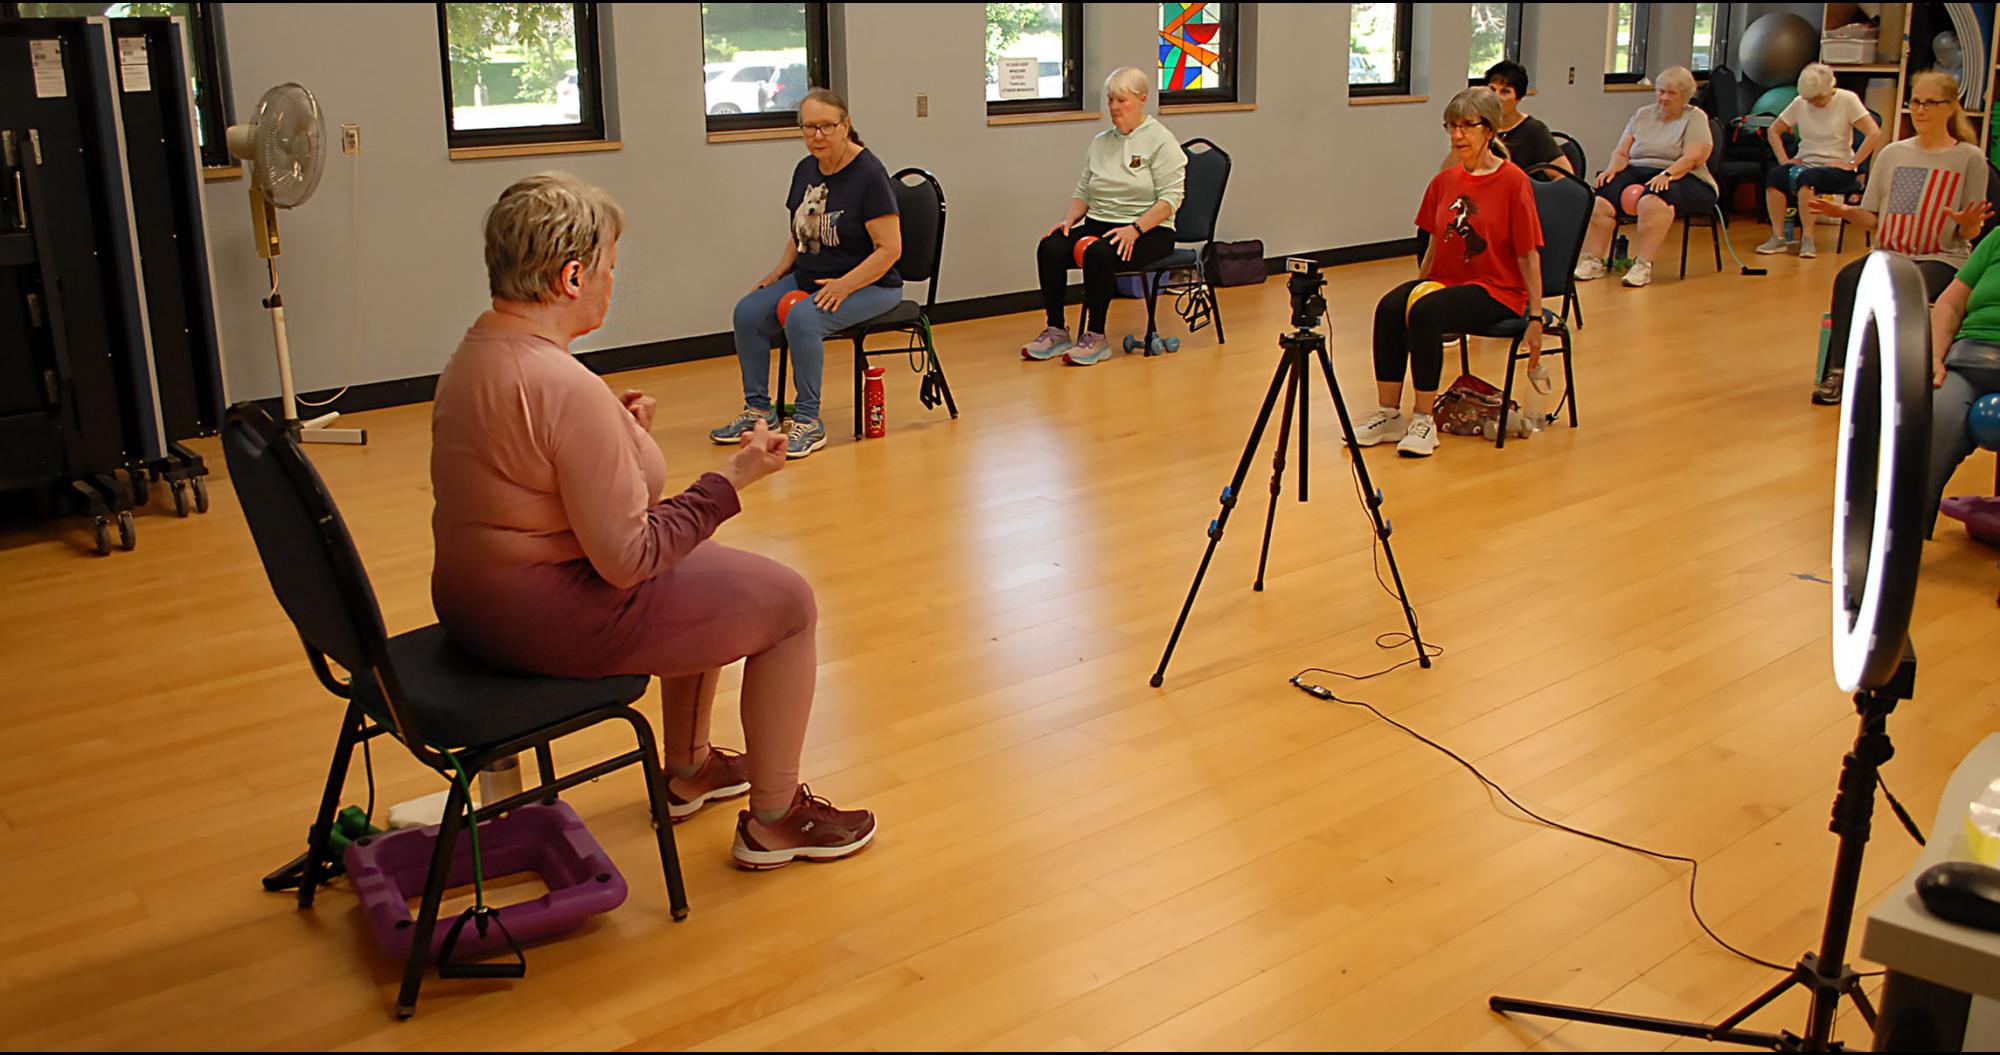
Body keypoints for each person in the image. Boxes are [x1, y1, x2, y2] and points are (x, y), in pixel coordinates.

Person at [432, 173, 876, 871]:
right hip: (542, 615)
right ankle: (774, 817)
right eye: (609, 266)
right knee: (790, 604)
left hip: (476, 601)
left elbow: (539, 469)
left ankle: (691, 768)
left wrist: (622, 439)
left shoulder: (478, 351)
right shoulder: (562, 385)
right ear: (572, 275)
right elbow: (631, 558)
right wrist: (732, 479)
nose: (613, 279)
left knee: (708, 563)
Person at [711, 88, 904, 459]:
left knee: (803, 317)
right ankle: (758, 411)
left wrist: (845, 286)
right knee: (747, 312)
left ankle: (808, 421)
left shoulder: (869, 174)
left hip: (872, 284)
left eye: (827, 126)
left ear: (845, 126)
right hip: (811, 276)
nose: (817, 135)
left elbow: (890, 250)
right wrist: (775, 274)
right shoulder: (806, 169)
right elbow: (799, 231)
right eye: (809, 127)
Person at [1357, 88, 1544, 459]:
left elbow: (1527, 254)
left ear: (1489, 130)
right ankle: (1389, 413)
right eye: (1452, 127)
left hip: (1498, 290)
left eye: (1467, 126)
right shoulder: (1444, 181)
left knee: (1428, 312)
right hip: (1446, 281)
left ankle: (1423, 418)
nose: (1458, 135)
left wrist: (1536, 315)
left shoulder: (1513, 182)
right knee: (1391, 307)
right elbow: (1432, 245)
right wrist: (1417, 285)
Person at [1808, 69, 1989, 405]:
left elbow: (1970, 234)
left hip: (1941, 257)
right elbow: (1875, 218)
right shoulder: (1894, 153)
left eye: (1930, 103)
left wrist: (1967, 222)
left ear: (1950, 107)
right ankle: (1842, 370)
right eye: (1915, 102)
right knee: (1848, 279)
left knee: (1900, 288)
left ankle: (1886, 374)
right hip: (1890, 253)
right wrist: (1846, 213)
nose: (1920, 110)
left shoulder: (1969, 158)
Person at [1020, 67, 1187, 366]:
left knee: (1099, 253)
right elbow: (1083, 190)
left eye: (1121, 100)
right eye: (1110, 100)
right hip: (1102, 224)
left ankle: (1096, 336)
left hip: (1150, 231)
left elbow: (1171, 200)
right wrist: (1069, 220)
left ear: (1141, 99)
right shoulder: (1101, 142)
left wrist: (1135, 229)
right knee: (1051, 247)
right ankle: (1057, 330)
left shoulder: (1161, 142)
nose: (1113, 107)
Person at [1575, 66, 1717, 288]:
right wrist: (1612, 170)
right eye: (1661, 91)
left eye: (1671, 93)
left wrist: (1668, 174)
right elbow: (1622, 152)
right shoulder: (1642, 114)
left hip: (1685, 174)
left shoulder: (1695, 117)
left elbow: (1694, 157)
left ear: (1685, 96)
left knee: (1651, 201)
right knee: (1601, 200)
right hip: (1639, 168)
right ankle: (1593, 260)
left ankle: (1643, 264)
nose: (1664, 98)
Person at [1924, 190, 2000, 537]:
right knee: (1937, 418)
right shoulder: (1997, 239)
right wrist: (1936, 358)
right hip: (1969, 359)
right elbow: (1950, 304)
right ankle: (1901, 533)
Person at [1756, 63, 1881, 259]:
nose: (1813, 103)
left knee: (1808, 179)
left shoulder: (1847, 100)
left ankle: (1808, 239)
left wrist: (1852, 163)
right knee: (1775, 177)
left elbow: (1873, 133)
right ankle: (1778, 236)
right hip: (1806, 162)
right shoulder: (1800, 102)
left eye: (1817, 99)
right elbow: (1774, 130)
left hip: (1837, 167)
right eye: (1810, 100)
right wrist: (1785, 161)